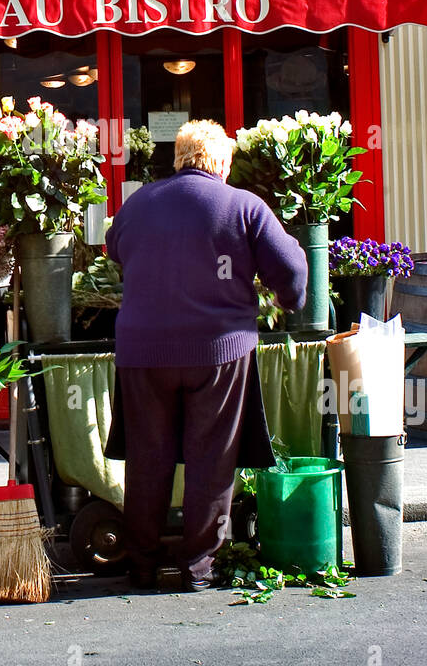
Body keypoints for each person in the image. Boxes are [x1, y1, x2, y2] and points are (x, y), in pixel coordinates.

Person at [104, 119, 308, 592]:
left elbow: (115, 249)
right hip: (217, 351)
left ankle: (141, 564)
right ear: (222, 162)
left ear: (178, 158)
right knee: (211, 456)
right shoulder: (243, 206)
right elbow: (292, 269)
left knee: (147, 457)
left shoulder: (137, 204)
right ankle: (197, 568)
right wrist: (285, 300)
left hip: (143, 351)